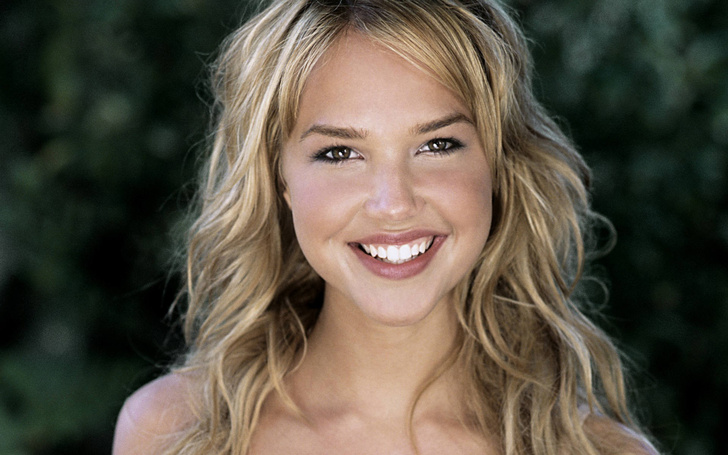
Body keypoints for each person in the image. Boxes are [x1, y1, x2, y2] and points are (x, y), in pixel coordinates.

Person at [113, 0, 660, 454]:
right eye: (340, 152)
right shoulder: (169, 433)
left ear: (495, 164)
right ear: (280, 180)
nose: (394, 204)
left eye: (437, 145)